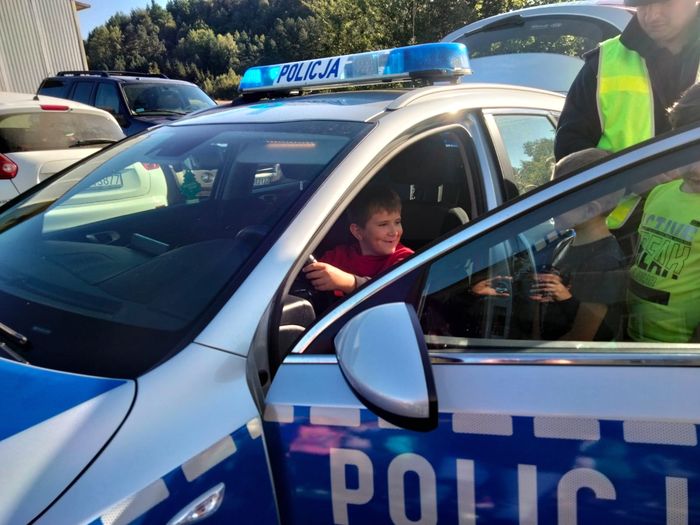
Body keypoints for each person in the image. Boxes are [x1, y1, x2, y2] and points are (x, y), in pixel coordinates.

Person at [554, 0, 700, 161]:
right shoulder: (603, 62)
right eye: (643, 5)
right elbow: (569, 149)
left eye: (664, 2)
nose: (653, 16)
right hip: (627, 179)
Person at [627, 83, 700, 342]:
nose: (696, 168)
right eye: (688, 151)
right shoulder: (660, 193)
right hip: (633, 336)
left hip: (677, 352)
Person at [529, 148, 626, 341]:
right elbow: (543, 302)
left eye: (559, 200)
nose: (549, 205)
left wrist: (533, 354)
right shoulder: (564, 245)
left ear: (589, 210)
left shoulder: (605, 262)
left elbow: (581, 337)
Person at [303, 184, 414, 294]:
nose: (394, 232)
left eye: (397, 222)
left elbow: (392, 293)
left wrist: (350, 282)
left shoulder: (406, 259)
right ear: (357, 231)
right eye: (383, 224)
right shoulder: (338, 257)